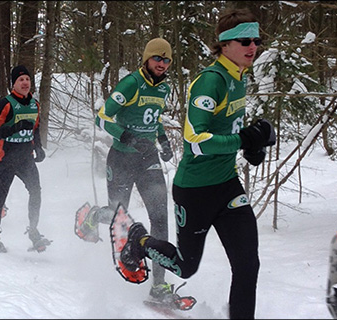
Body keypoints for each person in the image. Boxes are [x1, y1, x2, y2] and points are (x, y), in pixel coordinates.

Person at [119, 8, 276, 319]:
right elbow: (196, 140)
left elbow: (228, 130)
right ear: (225, 44)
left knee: (247, 264)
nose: (253, 46)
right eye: (245, 40)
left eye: (256, 40)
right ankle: (139, 240)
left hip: (228, 186)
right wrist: (243, 140)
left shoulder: (238, 78)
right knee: (185, 266)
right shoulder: (210, 81)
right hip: (195, 189)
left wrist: (251, 147)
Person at [79, 37, 176, 303]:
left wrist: (164, 141)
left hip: (148, 160)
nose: (162, 64)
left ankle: (159, 285)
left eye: (167, 60)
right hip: (122, 159)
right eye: (157, 58)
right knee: (118, 216)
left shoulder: (164, 88)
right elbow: (102, 117)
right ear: (146, 59)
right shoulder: (132, 83)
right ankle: (94, 216)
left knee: (160, 217)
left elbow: (154, 119)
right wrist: (126, 137)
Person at [0, 65, 49, 254]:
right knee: (0, 199)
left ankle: (34, 231)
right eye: (21, 80)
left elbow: (35, 127)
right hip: (4, 158)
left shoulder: (34, 104)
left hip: (25, 158)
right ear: (14, 84)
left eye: (27, 79)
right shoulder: (6, 104)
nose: (25, 82)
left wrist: (38, 147)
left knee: (36, 191)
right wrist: (15, 128)